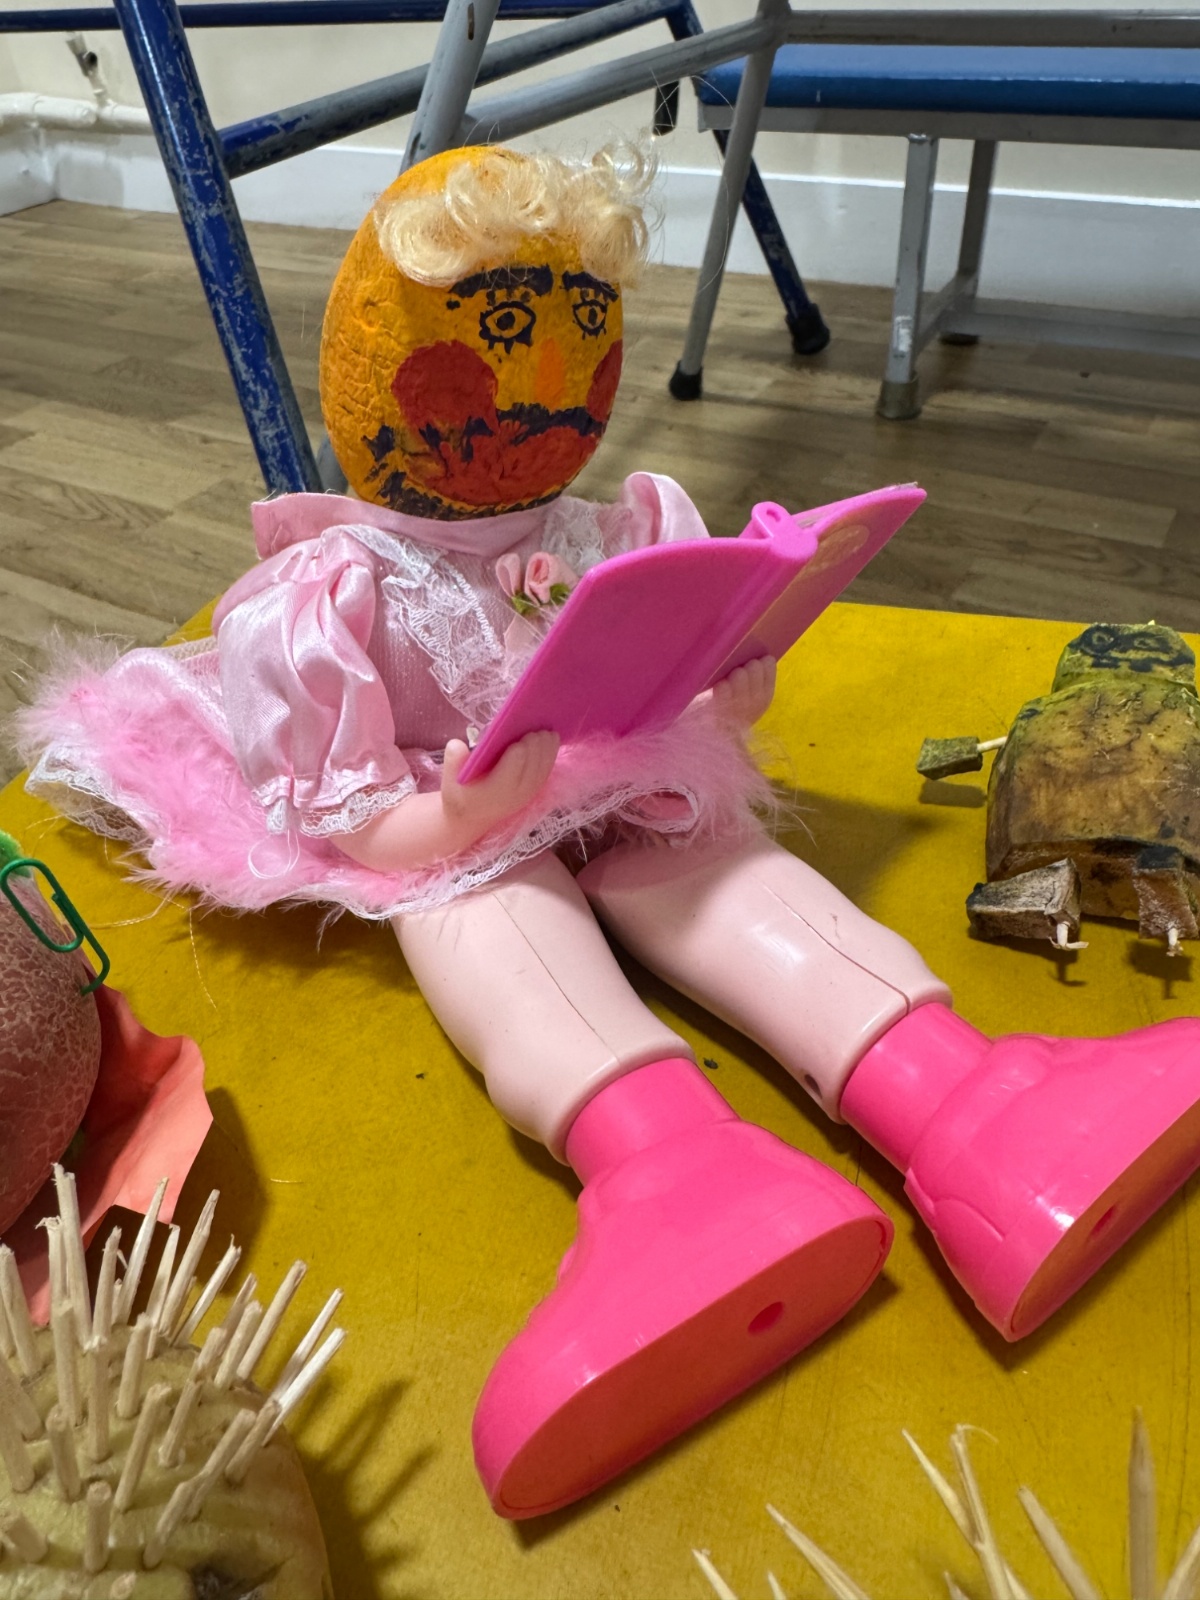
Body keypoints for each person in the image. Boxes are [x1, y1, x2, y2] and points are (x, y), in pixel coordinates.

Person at [23, 145, 1200, 1520]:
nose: (538, 396)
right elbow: (354, 817)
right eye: (490, 356)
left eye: (580, 346)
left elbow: (662, 680)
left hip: (596, 761)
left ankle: (961, 1096)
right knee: (479, 899)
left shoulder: (610, 529)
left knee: (699, 848)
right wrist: (460, 812)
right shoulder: (333, 599)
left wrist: (724, 677)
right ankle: (666, 1166)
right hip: (427, 801)